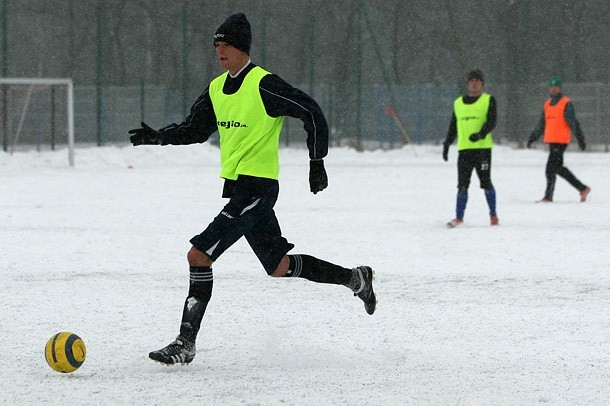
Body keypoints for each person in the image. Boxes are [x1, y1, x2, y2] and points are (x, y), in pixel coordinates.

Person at [128, 13, 377, 366]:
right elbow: (195, 129)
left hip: (258, 190)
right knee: (277, 266)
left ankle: (186, 342)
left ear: (241, 47)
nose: (219, 50)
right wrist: (160, 137)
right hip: (240, 190)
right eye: (216, 45)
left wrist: (316, 161)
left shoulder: (263, 85)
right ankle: (356, 278)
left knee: (198, 255)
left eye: (225, 44)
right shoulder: (216, 89)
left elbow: (311, 110)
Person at [442, 68, 498, 228]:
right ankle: (459, 217)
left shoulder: (489, 100)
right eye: (471, 81)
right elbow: (453, 126)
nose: (474, 84)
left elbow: (492, 121)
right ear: (468, 84)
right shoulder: (458, 103)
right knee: (462, 184)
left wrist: (481, 134)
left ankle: (493, 215)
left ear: (482, 84)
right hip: (465, 150)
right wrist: (447, 144)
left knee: (486, 182)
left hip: (482, 150)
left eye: (477, 81)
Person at [526, 76, 590, 203]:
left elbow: (573, 123)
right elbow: (541, 124)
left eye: (556, 87)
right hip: (552, 140)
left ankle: (548, 197)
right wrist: (533, 137)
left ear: (560, 88)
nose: (554, 89)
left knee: (550, 169)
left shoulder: (565, 103)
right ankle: (582, 188)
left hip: (561, 141)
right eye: (552, 87)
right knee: (558, 168)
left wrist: (580, 139)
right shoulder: (547, 104)